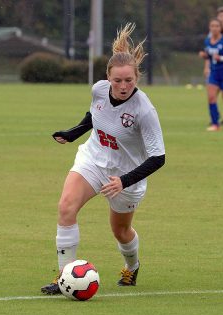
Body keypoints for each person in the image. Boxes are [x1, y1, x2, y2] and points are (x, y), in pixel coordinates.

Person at [41, 23, 165, 294]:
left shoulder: (145, 111)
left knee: (121, 232)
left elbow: (158, 157)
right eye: (117, 80)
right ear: (108, 77)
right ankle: (64, 276)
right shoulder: (98, 90)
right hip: (93, 160)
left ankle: (131, 267)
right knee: (66, 208)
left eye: (129, 81)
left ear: (137, 78)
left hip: (127, 176)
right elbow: (95, 117)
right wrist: (72, 133)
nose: (123, 86)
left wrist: (123, 181)